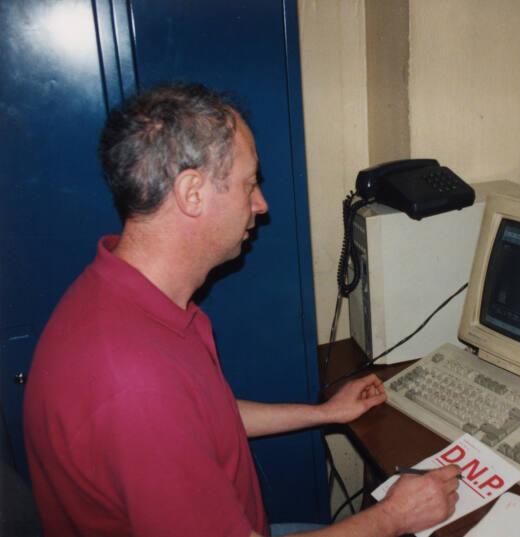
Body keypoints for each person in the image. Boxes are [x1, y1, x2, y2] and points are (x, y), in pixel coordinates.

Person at [23, 84, 459, 537]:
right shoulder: (135, 383)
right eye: (249, 184)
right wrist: (394, 516)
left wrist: (324, 413)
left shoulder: (131, 297)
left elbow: (204, 416)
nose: (261, 204)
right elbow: (161, 412)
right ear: (192, 193)